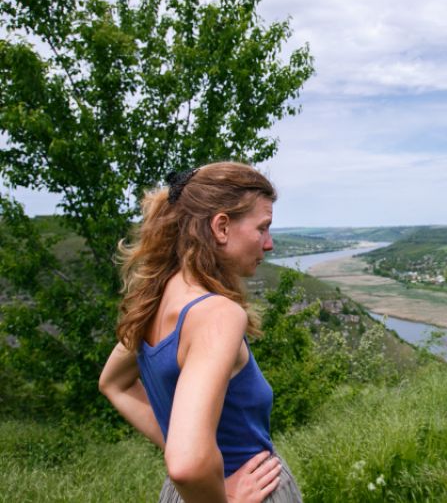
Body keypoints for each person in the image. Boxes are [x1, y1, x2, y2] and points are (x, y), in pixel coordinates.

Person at [99, 162, 302, 502]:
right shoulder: (217, 315)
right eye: (263, 228)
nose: (269, 244)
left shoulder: (154, 301)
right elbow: (188, 465)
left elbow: (113, 383)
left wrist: (190, 449)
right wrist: (223, 494)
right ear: (221, 226)